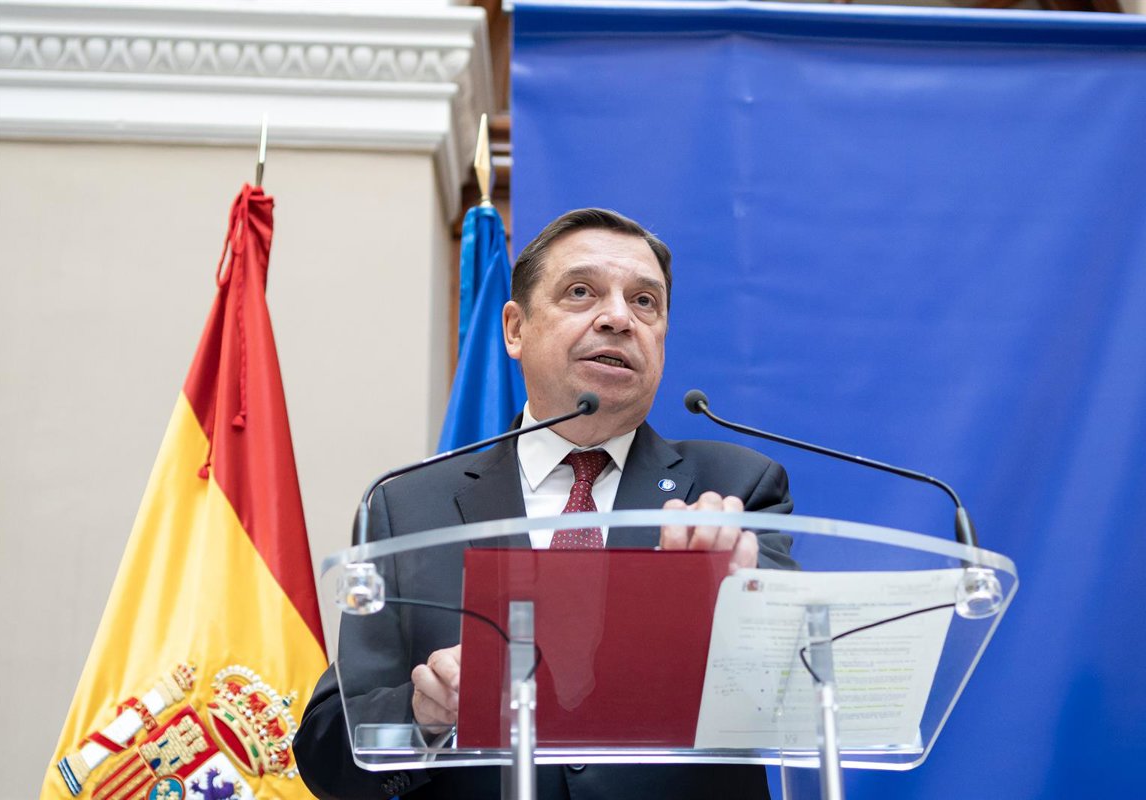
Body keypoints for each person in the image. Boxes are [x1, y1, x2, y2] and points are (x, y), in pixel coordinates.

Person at [293, 208, 795, 799]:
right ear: (515, 329)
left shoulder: (734, 489)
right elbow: (328, 748)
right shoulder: (409, 507)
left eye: (645, 302)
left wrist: (737, 610)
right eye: (581, 292)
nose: (618, 318)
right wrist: (424, 717)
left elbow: (796, 684)